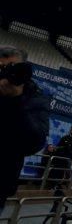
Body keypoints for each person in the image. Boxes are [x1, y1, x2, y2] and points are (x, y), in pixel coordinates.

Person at [0, 46, 50, 212]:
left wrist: (15, 101)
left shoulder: (34, 98)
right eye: (2, 68)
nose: (6, 74)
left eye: (12, 68)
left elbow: (35, 142)